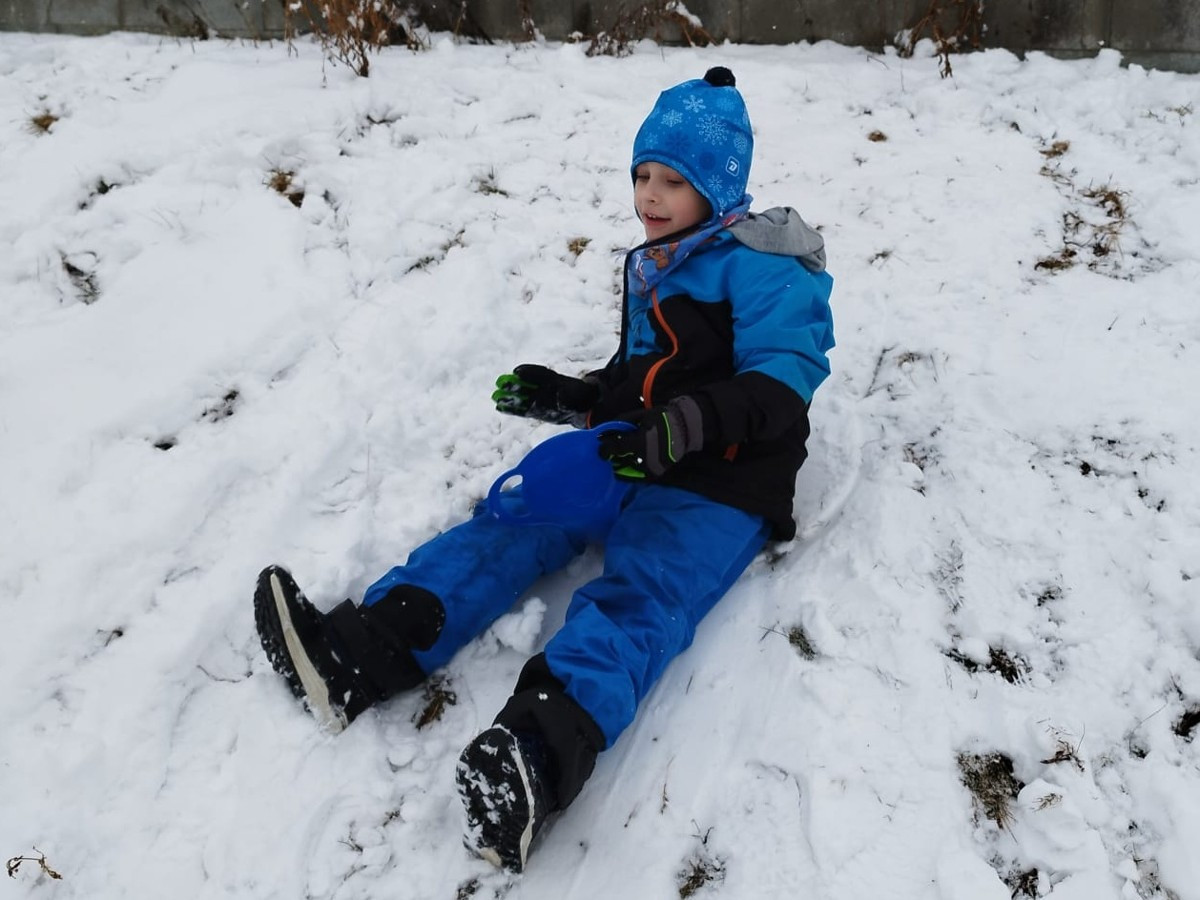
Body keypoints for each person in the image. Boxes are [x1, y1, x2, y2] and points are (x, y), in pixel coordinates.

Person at [253, 66, 834, 872]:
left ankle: (532, 761)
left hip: (720, 480)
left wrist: (678, 430)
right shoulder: (667, 258)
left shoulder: (766, 264)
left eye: (674, 180)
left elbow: (780, 383)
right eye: (642, 174)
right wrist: (575, 397)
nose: (651, 194)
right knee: (516, 518)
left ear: (719, 187)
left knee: (640, 595)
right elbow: (643, 377)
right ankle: (358, 654)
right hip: (640, 446)